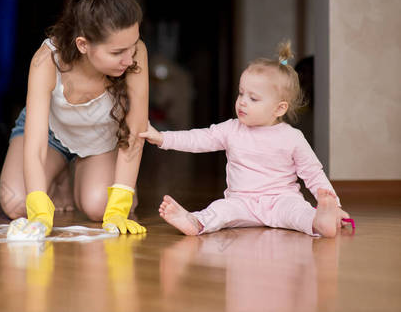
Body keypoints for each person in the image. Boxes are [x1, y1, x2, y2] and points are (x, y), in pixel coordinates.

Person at [139, 41, 351, 238]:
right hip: (241, 202)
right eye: (241, 94)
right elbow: (199, 139)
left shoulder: (292, 137)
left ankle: (320, 222)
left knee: (299, 211)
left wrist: (335, 204)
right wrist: (162, 138)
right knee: (220, 210)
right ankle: (195, 222)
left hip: (281, 199)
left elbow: (313, 173)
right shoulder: (232, 129)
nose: (242, 102)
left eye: (253, 98)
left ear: (279, 108)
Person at [0, 0, 148, 237]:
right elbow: (35, 145)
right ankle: (59, 178)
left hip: (101, 138)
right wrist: (38, 208)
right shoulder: (47, 60)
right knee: (16, 202)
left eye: (133, 45)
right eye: (117, 52)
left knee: (99, 207)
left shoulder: (135, 55)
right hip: (50, 134)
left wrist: (120, 203)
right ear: (83, 45)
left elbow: (134, 134)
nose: (129, 58)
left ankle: (100, 176)